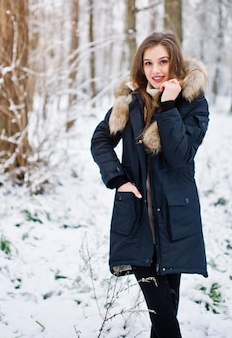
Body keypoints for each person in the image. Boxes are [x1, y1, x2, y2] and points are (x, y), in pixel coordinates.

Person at [90, 31, 210, 337]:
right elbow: (100, 140)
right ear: (140, 67)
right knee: (164, 318)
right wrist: (118, 179)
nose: (156, 70)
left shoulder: (193, 105)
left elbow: (180, 156)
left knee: (165, 314)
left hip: (175, 222)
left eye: (163, 61)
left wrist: (168, 107)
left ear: (175, 63)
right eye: (148, 63)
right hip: (138, 220)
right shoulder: (130, 103)